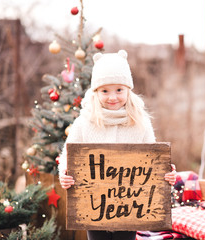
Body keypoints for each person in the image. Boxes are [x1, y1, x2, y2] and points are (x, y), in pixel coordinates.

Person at [58, 50, 177, 240]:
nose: (112, 97)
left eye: (119, 90)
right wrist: (65, 173)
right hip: (94, 204)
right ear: (96, 92)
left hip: (130, 204)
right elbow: (68, 155)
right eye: (105, 91)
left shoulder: (140, 122)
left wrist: (165, 172)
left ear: (128, 90)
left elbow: (152, 157)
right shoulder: (85, 122)